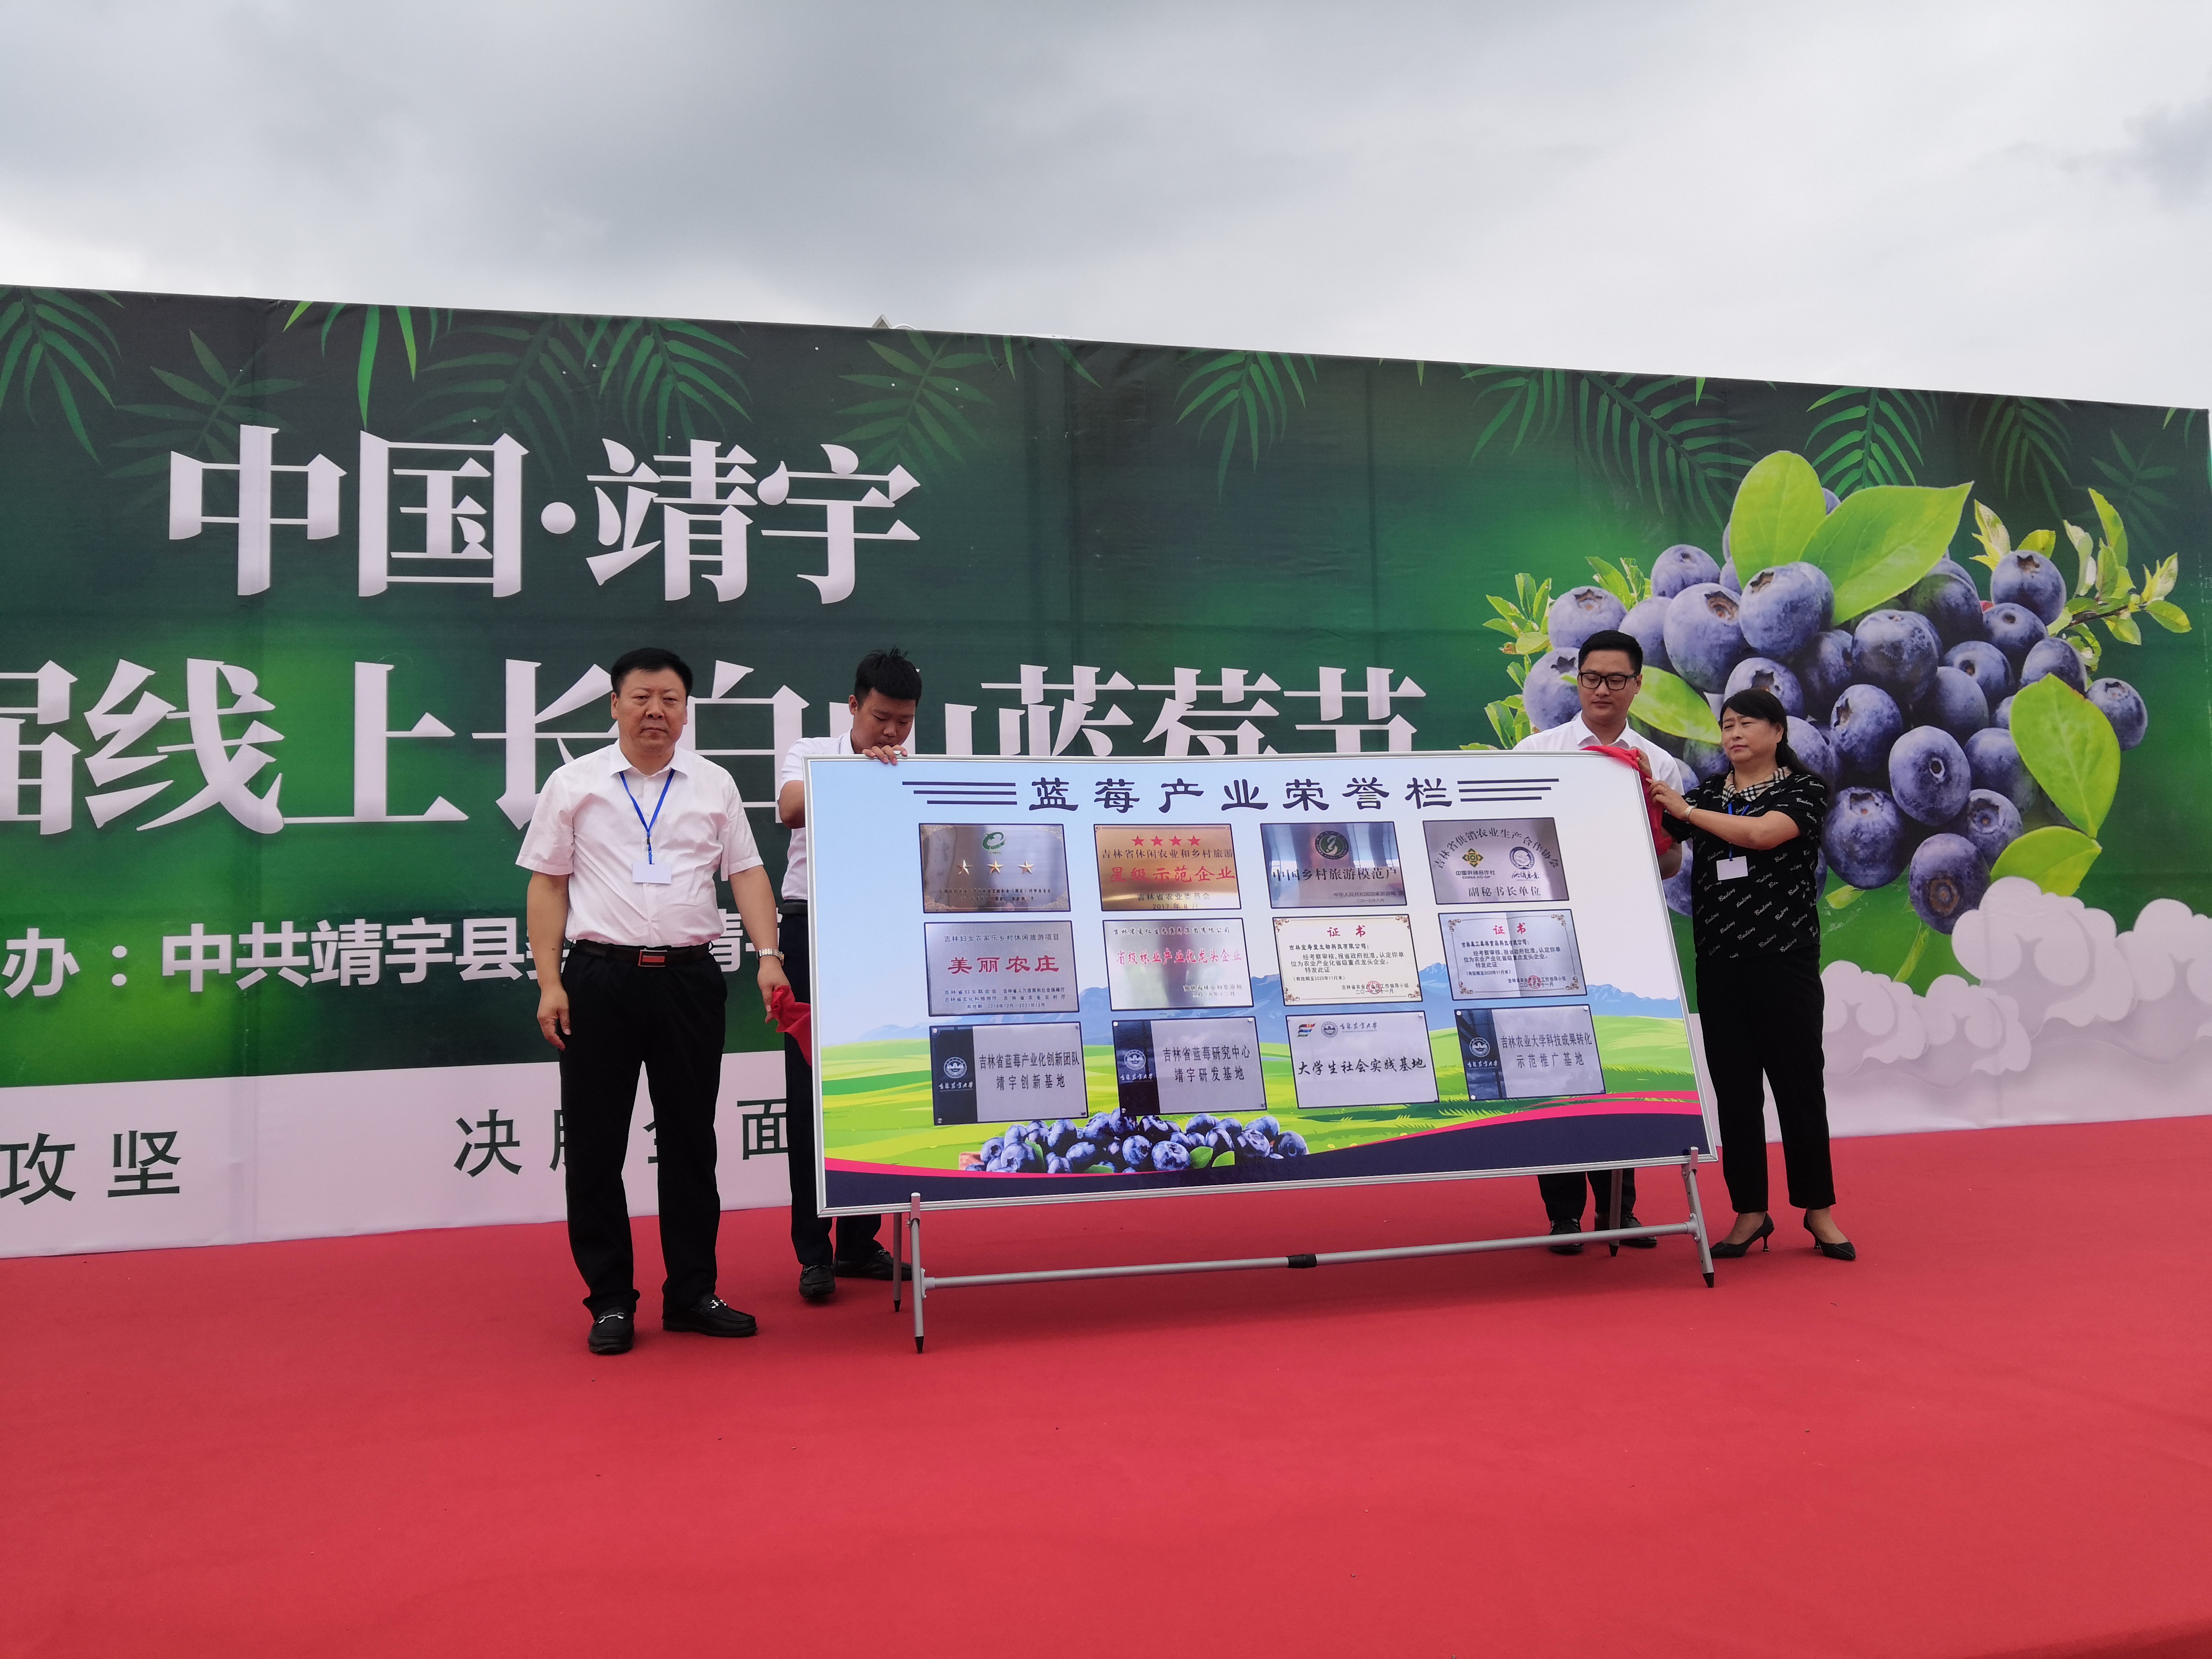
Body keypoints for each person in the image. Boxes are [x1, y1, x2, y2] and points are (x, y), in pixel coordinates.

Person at [520, 646, 790, 1355]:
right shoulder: (574, 783)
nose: (655, 711)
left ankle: (693, 1293)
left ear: (686, 711)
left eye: (670, 699)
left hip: (688, 980)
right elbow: (547, 883)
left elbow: (747, 873)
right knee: (596, 1146)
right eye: (640, 698)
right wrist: (550, 981)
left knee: (691, 1141)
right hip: (599, 978)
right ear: (614, 705)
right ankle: (611, 1300)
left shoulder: (713, 784)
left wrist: (768, 957)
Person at [1648, 686, 1855, 1262]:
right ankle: (1750, 1213)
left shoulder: (1804, 789)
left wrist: (1687, 813)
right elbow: (1660, 840)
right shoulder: (1708, 792)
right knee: (1735, 1093)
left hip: (1784, 959)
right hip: (1720, 962)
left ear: (1778, 732)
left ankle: (1818, 1210)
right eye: (1727, 725)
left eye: (1746, 723)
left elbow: (1763, 835)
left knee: (1798, 1087)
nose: (1734, 733)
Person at [1515, 628, 1687, 1254]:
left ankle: (1620, 1211)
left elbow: (1671, 865)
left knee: (1619, 1071)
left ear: (1638, 686)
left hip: (1622, 937)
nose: (1603, 690)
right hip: (1546, 937)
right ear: (1578, 681)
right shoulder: (1536, 753)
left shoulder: (1657, 764)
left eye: (1617, 680)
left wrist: (1638, 841)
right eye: (1592, 678)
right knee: (1555, 1068)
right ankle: (1563, 1215)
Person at [775, 648, 922, 1302]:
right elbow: (789, 808)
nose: (891, 732)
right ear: (854, 706)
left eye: (904, 722)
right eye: (881, 718)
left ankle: (860, 1244)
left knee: (878, 1082)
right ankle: (813, 1253)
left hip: (881, 935)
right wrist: (861, 772)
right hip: (811, 928)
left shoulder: (912, 768)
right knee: (810, 1095)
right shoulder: (813, 753)